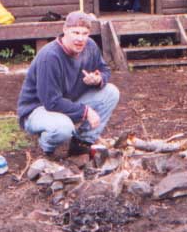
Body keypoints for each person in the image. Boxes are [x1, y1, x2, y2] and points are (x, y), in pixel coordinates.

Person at [16, 11, 119, 156]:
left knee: (111, 92)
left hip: (66, 101)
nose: (80, 38)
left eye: (85, 33)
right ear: (65, 30)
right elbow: (51, 102)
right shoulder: (50, 57)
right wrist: (86, 111)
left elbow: (104, 69)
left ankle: (82, 143)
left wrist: (98, 78)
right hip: (37, 110)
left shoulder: (90, 46)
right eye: (75, 32)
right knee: (63, 128)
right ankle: (47, 148)